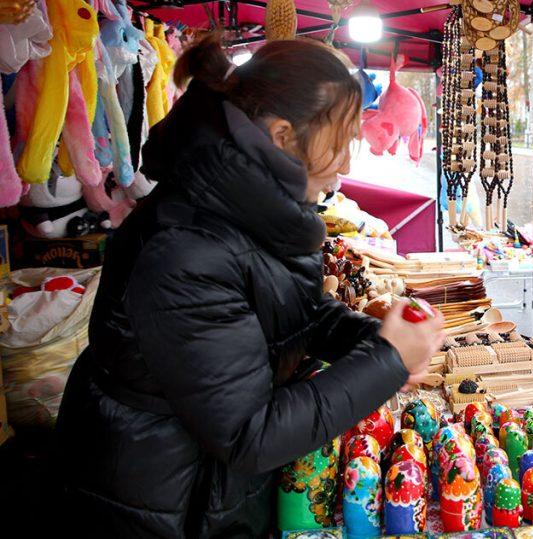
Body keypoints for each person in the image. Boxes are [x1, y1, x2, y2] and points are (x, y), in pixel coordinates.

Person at [56, 35, 446, 536]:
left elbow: (286, 309)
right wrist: (387, 362)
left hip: (207, 490)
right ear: (282, 135)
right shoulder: (186, 248)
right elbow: (249, 431)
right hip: (159, 502)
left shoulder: (246, 211)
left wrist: (367, 337)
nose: (347, 164)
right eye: (341, 140)